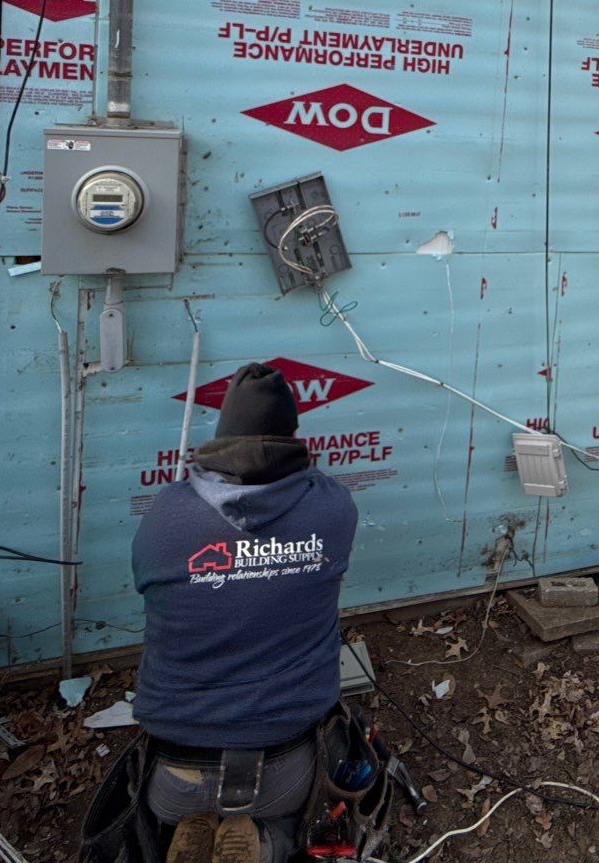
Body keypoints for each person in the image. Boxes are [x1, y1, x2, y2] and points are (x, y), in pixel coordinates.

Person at [131, 361, 359, 863]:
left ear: (219, 437)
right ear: (294, 438)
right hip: (283, 761)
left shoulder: (167, 515)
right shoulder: (334, 509)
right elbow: (313, 487)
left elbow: (147, 586)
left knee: (180, 809)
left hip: (175, 766)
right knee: (288, 827)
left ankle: (185, 830)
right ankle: (262, 843)